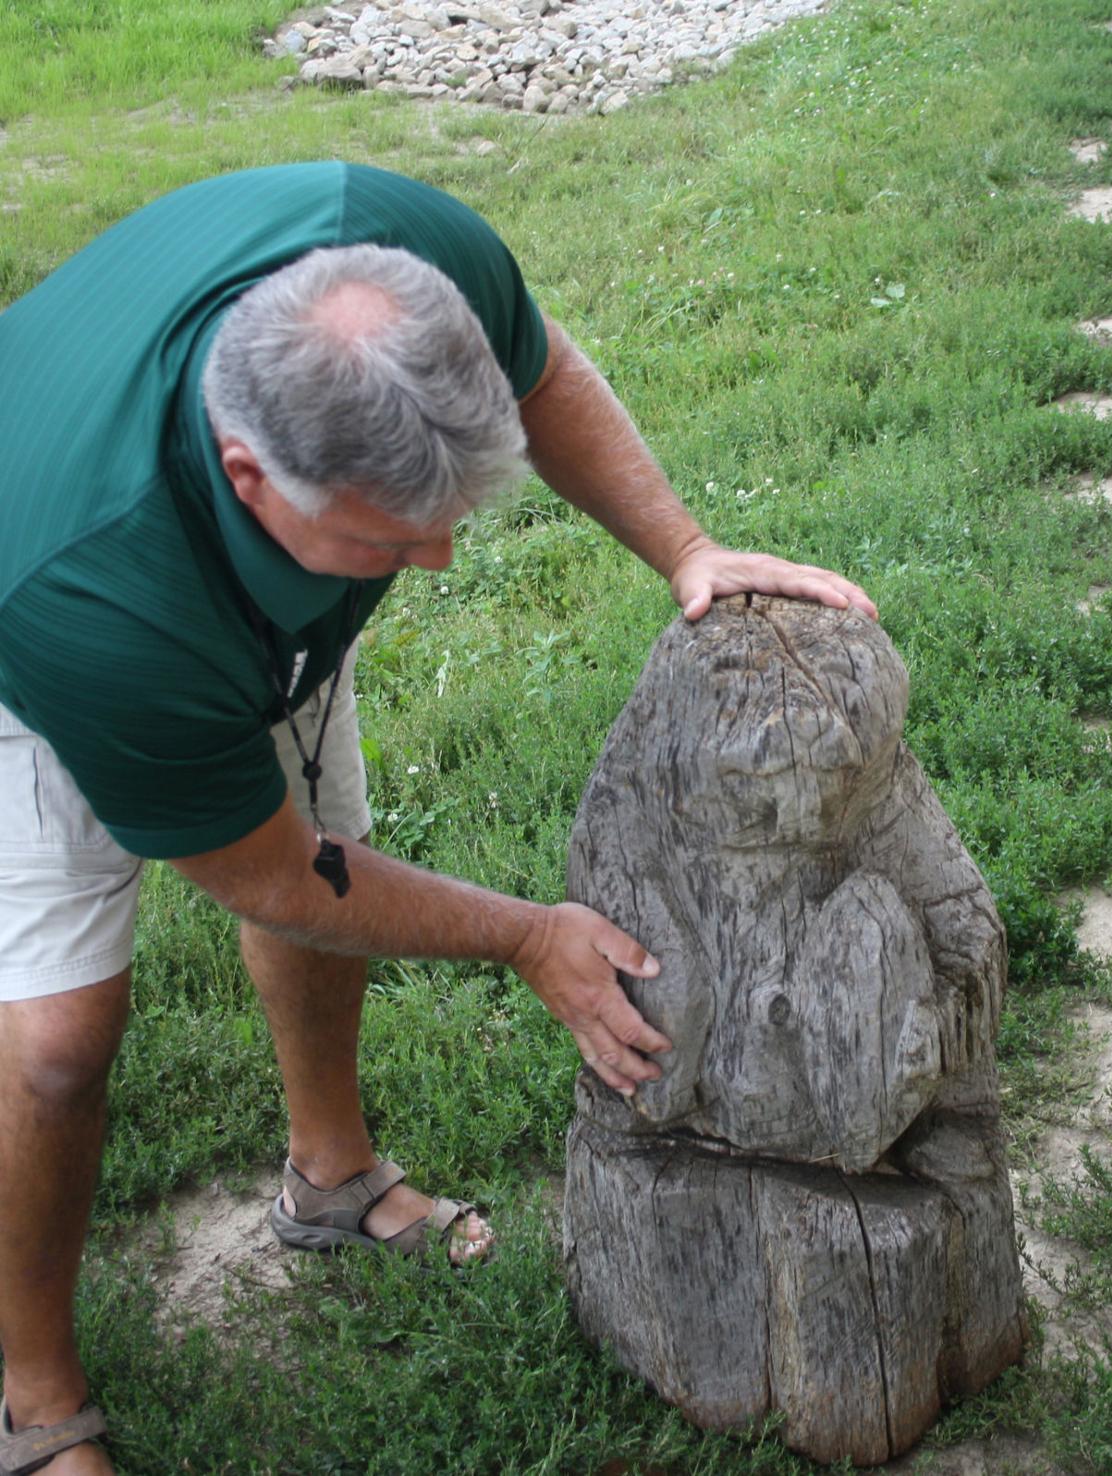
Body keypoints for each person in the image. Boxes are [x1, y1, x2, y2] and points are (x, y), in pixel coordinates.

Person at [0, 161, 876, 1474]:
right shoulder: (100, 607)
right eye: (387, 541)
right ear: (252, 476)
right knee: (62, 1042)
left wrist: (685, 548)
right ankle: (34, 1391)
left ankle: (330, 1177)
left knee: (323, 838)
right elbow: (273, 876)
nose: (441, 563)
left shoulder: (401, 247)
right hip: (38, 622)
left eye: (454, 515)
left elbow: (542, 371)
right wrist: (527, 935)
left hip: (205, 587)